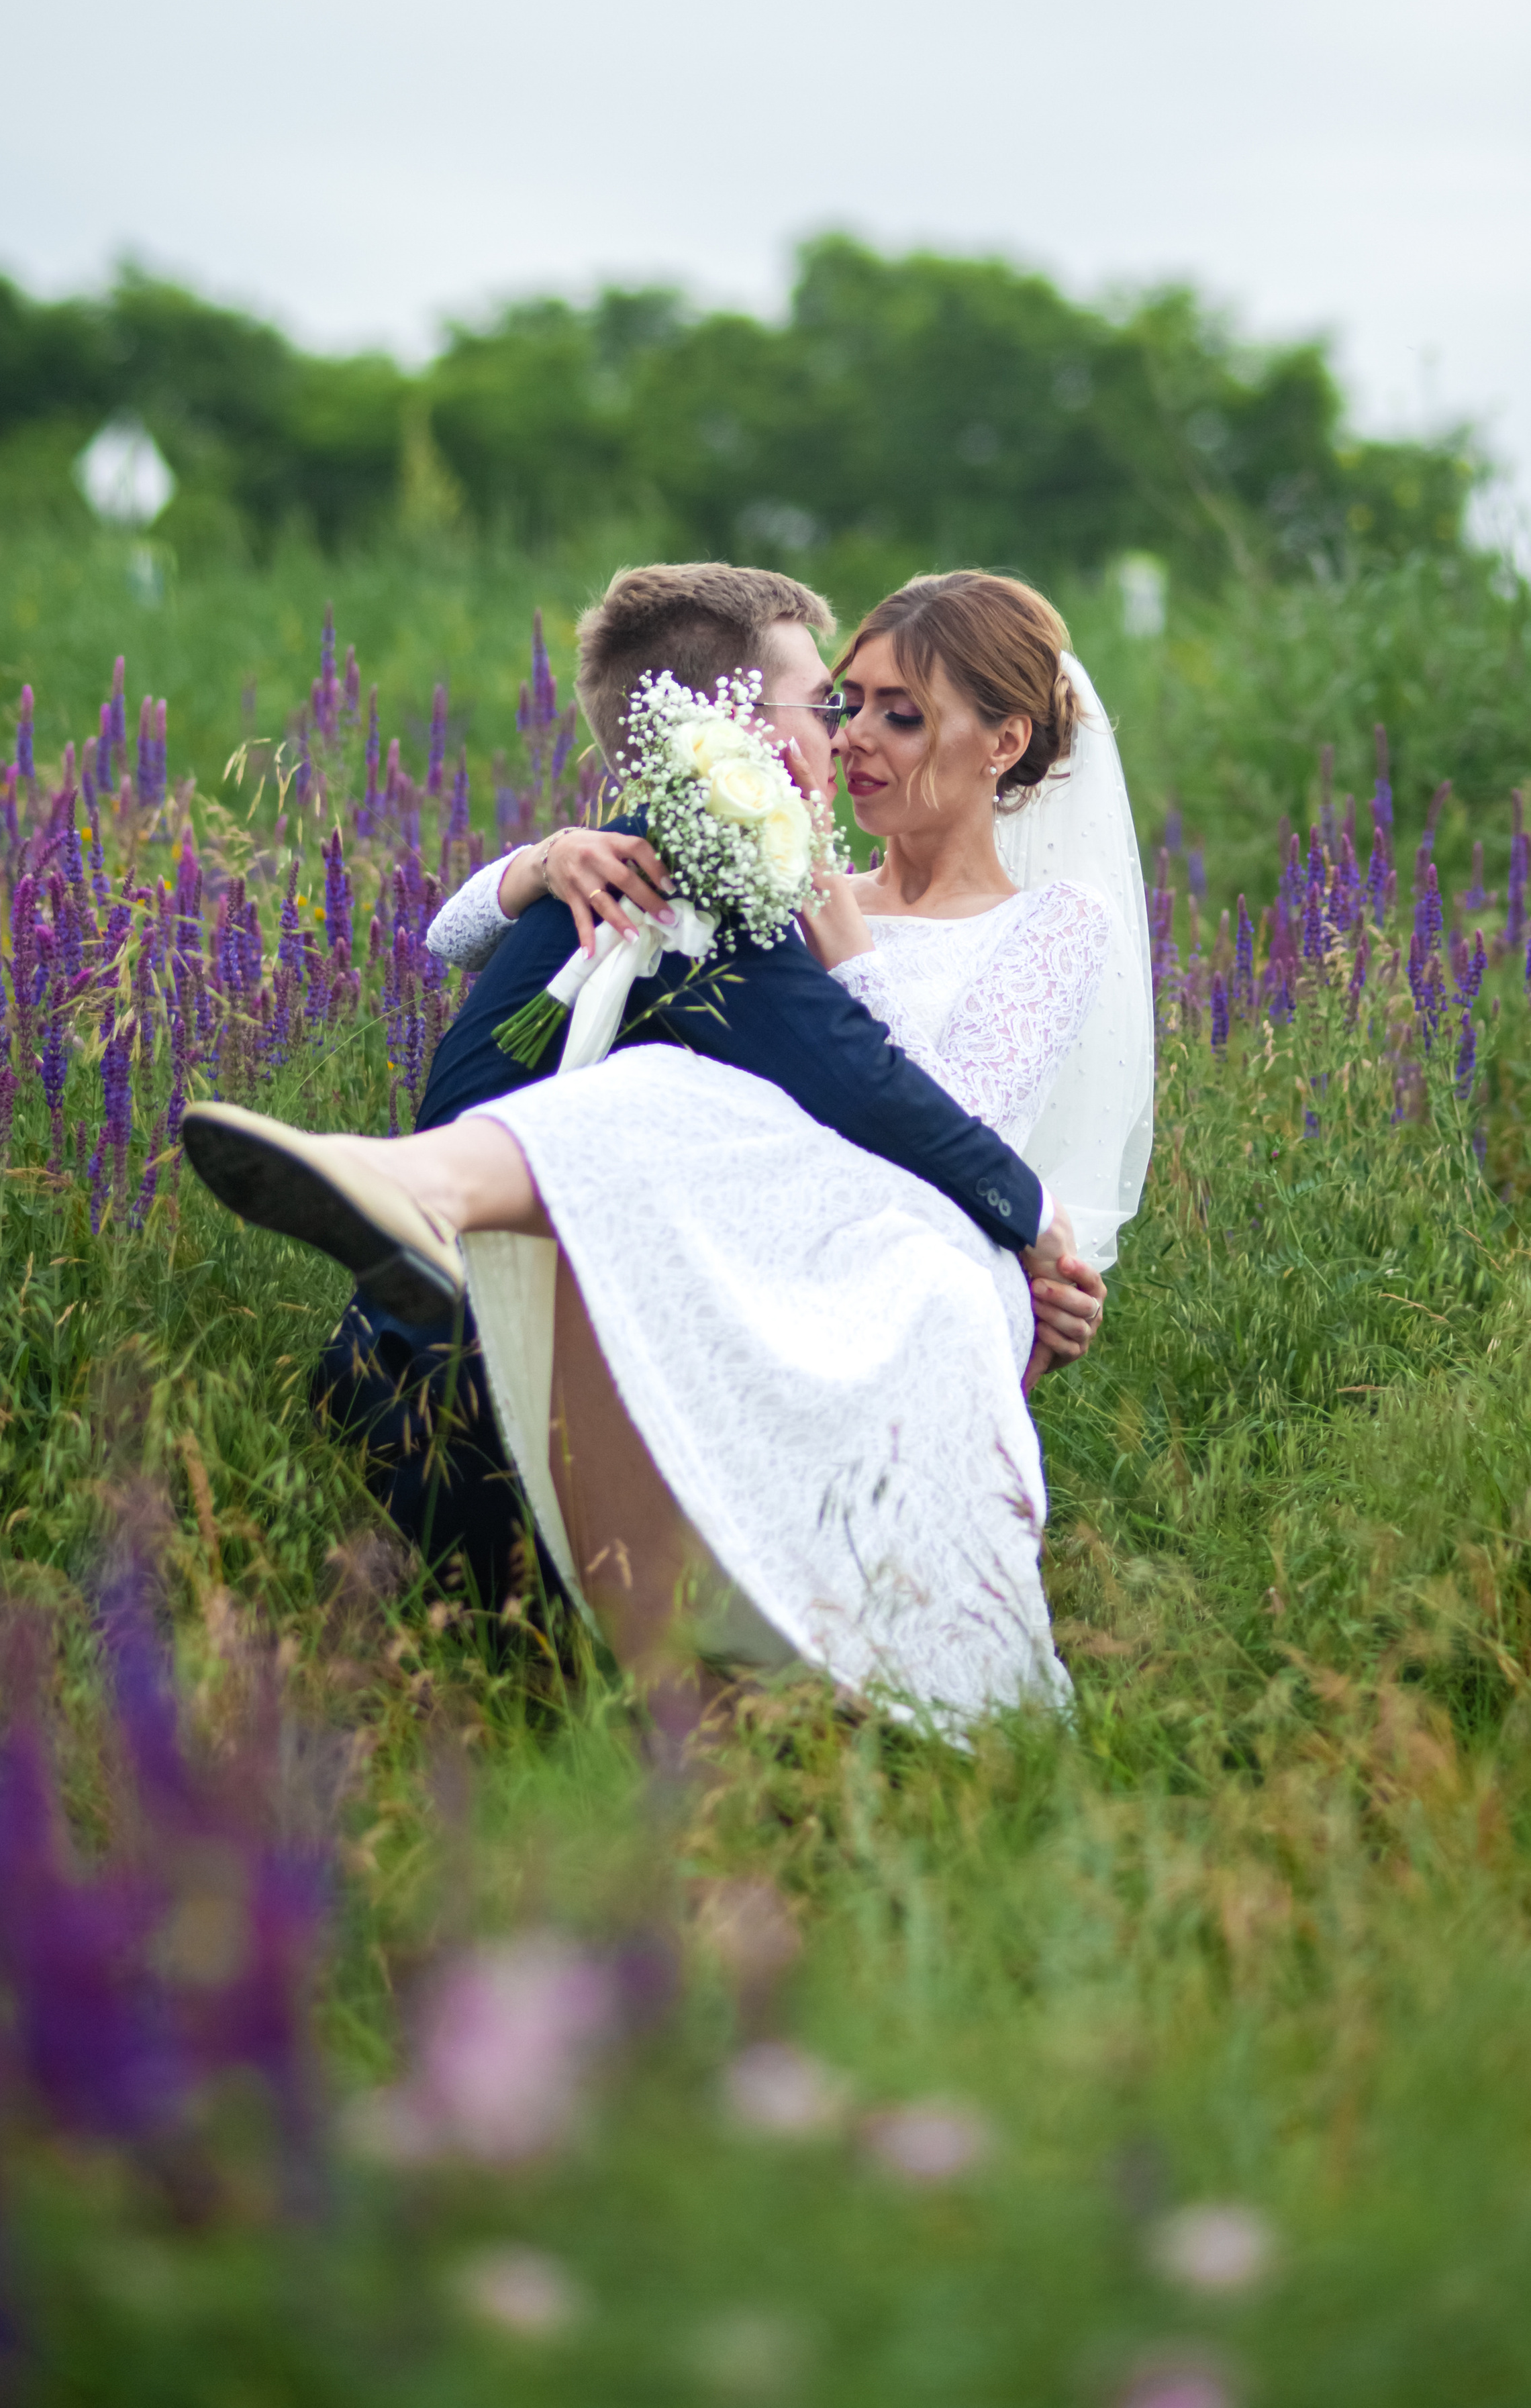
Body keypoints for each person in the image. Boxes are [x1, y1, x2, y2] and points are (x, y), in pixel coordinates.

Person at [182, 570, 1153, 1740]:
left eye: (901, 715)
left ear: (1003, 741)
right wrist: (544, 858)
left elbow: (957, 1123)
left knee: (663, 1087)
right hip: (749, 1196)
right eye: (844, 706)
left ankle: (418, 1188)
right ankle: (658, 1698)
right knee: (664, 1084)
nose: (856, 743)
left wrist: (849, 950)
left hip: (906, 1232)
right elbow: (458, 933)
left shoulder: (1045, 924)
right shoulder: (772, 868)